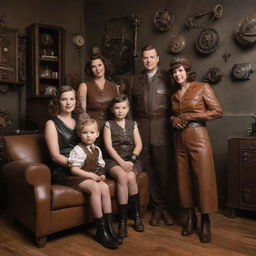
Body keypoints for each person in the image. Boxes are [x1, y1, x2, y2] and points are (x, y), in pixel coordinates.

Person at [44, 86, 119, 249]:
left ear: (76, 101)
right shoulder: (51, 123)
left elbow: (89, 144)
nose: (68, 102)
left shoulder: (79, 121)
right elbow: (55, 156)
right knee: (94, 187)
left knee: (104, 188)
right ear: (58, 101)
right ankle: (100, 232)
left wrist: (92, 170)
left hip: (84, 167)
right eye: (64, 99)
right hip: (64, 170)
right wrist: (79, 167)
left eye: (72, 99)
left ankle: (108, 227)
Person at [169, 57, 223, 243]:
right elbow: (174, 115)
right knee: (183, 179)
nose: (178, 74)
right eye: (175, 72)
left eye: (181, 70)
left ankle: (206, 220)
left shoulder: (202, 87)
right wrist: (173, 120)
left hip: (198, 136)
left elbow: (217, 111)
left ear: (187, 70)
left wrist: (192, 115)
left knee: (203, 178)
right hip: (179, 139)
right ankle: (190, 218)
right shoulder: (174, 95)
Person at [128, 45, 174, 226]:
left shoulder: (167, 78)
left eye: (151, 57)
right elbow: (129, 109)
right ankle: (156, 210)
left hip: (162, 131)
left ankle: (164, 208)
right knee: (149, 172)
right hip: (141, 132)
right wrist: (132, 132)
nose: (148, 60)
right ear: (142, 59)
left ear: (157, 58)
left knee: (164, 172)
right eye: (145, 57)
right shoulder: (133, 80)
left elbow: (174, 106)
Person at [103, 94, 144, 239]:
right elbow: (108, 147)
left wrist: (132, 160)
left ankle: (137, 216)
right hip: (114, 159)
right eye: (117, 108)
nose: (120, 110)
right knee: (122, 175)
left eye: (123, 108)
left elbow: (139, 144)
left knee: (131, 177)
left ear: (128, 109)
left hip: (131, 159)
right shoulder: (108, 124)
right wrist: (121, 162)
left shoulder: (133, 124)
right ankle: (122, 221)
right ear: (112, 110)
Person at [78, 55, 119, 145]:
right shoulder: (84, 86)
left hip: (111, 129)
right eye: (93, 66)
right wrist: (89, 131)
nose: (97, 69)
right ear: (90, 69)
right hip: (91, 130)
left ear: (105, 65)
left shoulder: (114, 86)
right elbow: (81, 112)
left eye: (100, 65)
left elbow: (119, 109)